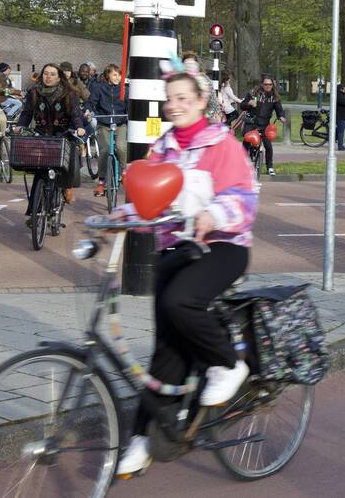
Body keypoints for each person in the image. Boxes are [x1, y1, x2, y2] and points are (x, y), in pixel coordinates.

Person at [114, 71, 259, 479]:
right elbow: (150, 200)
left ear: (200, 101)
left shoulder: (221, 144)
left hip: (224, 246)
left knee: (181, 302)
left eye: (182, 97)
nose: (174, 105)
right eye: (169, 98)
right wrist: (118, 217)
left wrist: (214, 213)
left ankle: (228, 364)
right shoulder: (163, 147)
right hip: (178, 248)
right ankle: (142, 438)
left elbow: (245, 197)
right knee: (164, 348)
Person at [16, 63, 86, 204]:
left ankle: (67, 187)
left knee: (68, 157)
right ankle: (35, 208)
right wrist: (20, 126)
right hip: (41, 132)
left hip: (62, 132)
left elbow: (75, 114)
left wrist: (79, 128)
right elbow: (27, 113)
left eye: (52, 74)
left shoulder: (69, 93)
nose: (48, 77)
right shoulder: (34, 92)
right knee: (39, 169)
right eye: (46, 73)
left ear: (59, 77)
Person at [86, 64, 129, 197]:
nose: (117, 77)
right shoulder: (99, 88)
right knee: (105, 150)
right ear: (107, 75)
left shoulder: (124, 90)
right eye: (114, 74)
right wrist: (88, 111)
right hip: (104, 124)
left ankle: (124, 172)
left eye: (119, 75)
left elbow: (130, 105)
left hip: (120, 123)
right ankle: (101, 182)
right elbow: (91, 102)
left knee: (121, 147)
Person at [239, 75, 286, 175]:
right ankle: (242, 164)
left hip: (264, 124)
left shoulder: (275, 97)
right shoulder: (253, 93)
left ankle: (270, 167)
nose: (268, 86)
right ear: (262, 84)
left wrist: (281, 116)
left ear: (273, 85)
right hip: (251, 122)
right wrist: (249, 104)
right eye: (266, 84)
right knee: (246, 142)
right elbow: (242, 106)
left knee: (268, 146)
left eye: (270, 84)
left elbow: (279, 109)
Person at [334, 83, 345, 151]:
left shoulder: (339, 95)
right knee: (341, 131)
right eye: (344, 88)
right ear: (341, 89)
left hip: (340, 115)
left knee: (339, 130)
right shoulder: (339, 95)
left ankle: (332, 138)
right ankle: (340, 147)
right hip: (340, 116)